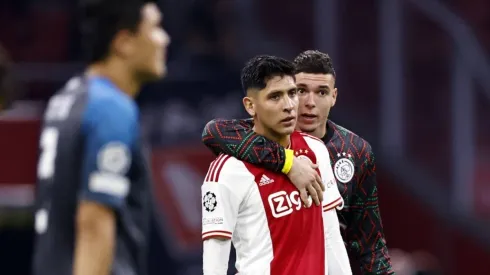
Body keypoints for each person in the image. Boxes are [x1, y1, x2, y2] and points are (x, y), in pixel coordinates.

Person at [201, 50, 394, 274]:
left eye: (292, 93)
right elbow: (212, 130)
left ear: (334, 96)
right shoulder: (232, 161)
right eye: (300, 91)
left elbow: (348, 239)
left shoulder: (341, 151)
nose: (298, 104)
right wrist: (288, 163)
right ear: (251, 105)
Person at [31, 1, 170, 275]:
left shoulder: (67, 98)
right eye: (155, 28)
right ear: (124, 43)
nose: (164, 39)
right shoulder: (111, 108)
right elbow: (94, 223)